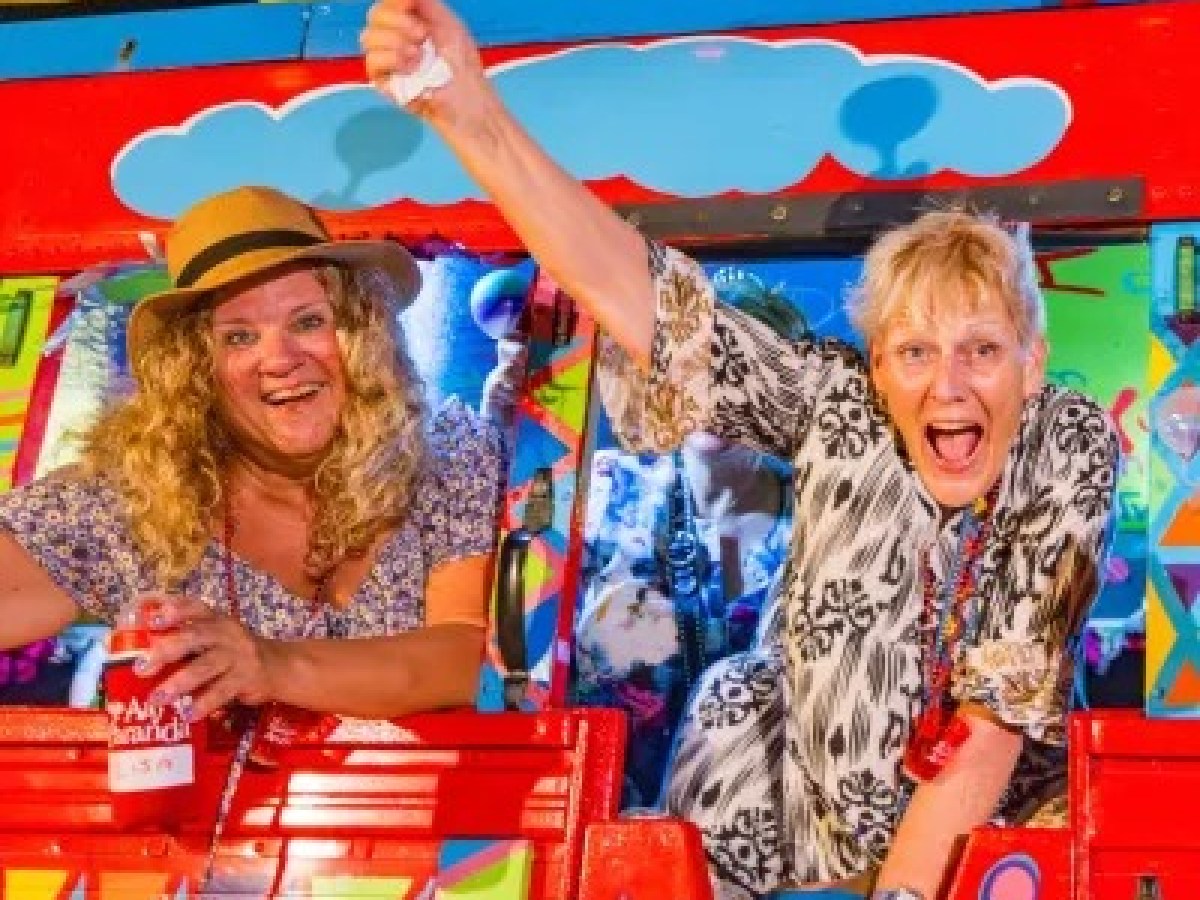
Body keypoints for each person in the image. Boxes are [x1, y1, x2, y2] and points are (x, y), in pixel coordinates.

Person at [361, 6, 1120, 899]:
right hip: (801, 850)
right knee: (734, 692)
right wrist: (469, 112)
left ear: (1030, 365)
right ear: (878, 366)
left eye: (982, 350)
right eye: (916, 351)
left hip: (986, 858)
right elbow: (631, 289)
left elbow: (992, 724)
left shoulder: (1064, 441)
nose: (948, 384)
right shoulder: (840, 403)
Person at [0, 184, 505, 726]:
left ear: (360, 335)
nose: (280, 359)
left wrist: (268, 663)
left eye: (308, 322)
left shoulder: (446, 454)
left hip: (430, 805)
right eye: (239, 337)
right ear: (195, 372)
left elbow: (459, 662)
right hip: (218, 810)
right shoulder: (127, 500)